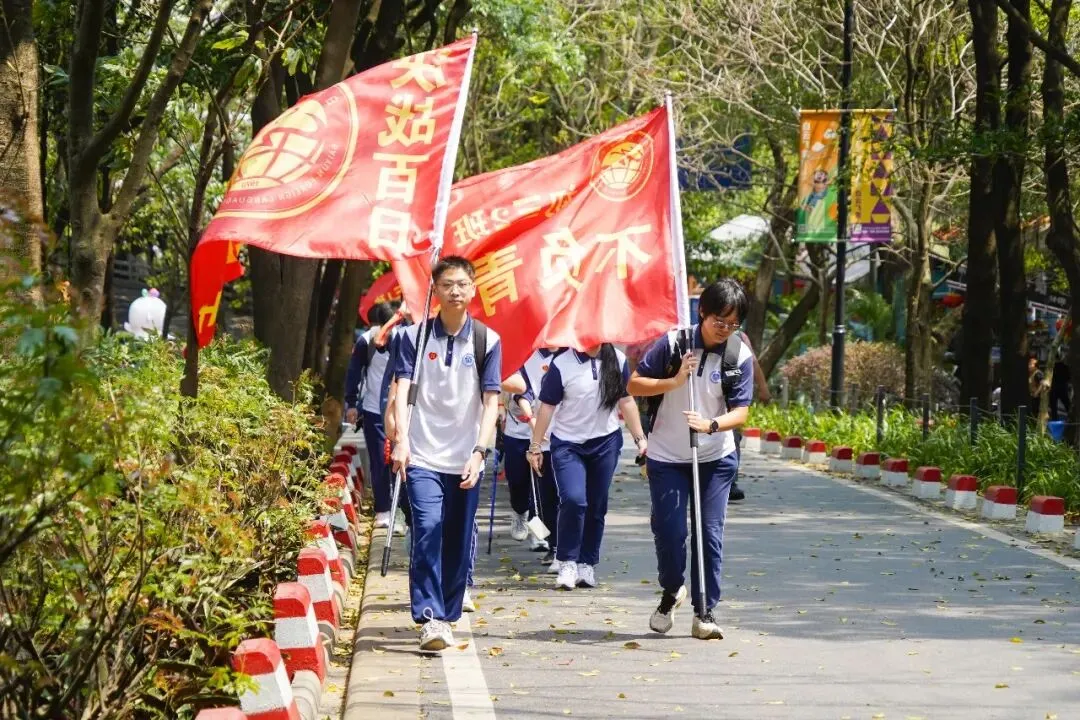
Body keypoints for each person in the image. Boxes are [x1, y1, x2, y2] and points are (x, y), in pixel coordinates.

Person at [627, 278, 754, 640]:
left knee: (708, 533)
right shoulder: (673, 344)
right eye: (719, 321)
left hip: (715, 456)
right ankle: (671, 591)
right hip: (667, 455)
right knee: (670, 532)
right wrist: (674, 381)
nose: (725, 330)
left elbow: (740, 412)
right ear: (702, 313)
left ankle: (705, 611)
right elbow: (634, 384)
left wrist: (711, 425)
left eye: (733, 324)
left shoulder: (738, 355)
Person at [390, 257, 502, 651]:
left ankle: (449, 613)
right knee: (428, 528)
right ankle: (429, 617)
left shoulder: (487, 340)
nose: (455, 291)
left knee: (456, 538)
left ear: (473, 289)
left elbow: (491, 401)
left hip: (464, 457)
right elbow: (402, 390)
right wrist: (401, 439)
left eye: (462, 284)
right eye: (447, 284)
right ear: (434, 290)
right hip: (421, 455)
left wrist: (479, 451)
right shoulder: (413, 337)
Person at [528, 344, 647, 590]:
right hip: (568, 444)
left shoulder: (617, 358)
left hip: (605, 442)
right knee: (573, 499)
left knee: (596, 504)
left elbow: (626, 400)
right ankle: (567, 560)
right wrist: (536, 445)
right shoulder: (562, 363)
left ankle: (587, 563)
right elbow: (547, 406)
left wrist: (640, 440)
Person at [504, 348, 564, 566]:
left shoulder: (567, 356)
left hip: (551, 436)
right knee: (519, 483)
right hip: (519, 432)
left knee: (543, 491)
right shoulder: (524, 353)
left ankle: (541, 535)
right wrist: (532, 422)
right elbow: (522, 393)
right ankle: (520, 512)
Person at [344, 302, 397, 528]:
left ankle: (401, 509)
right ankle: (383, 510)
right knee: (380, 461)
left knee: (400, 460)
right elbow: (354, 373)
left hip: (401, 413)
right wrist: (352, 403)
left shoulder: (406, 340)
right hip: (375, 412)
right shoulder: (366, 342)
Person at [729, 330, 769, 502]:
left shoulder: (739, 336)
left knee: (732, 436)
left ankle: (730, 482)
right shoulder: (687, 331)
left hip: (730, 396)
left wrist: (763, 387)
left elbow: (752, 362)